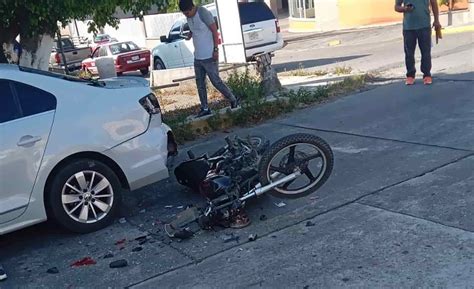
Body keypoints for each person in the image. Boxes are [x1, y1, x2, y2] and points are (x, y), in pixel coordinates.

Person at [179, 0, 239, 118]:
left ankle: (233, 98)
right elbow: (195, 28)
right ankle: (205, 108)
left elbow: (214, 31)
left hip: (209, 55)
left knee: (215, 81)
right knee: (200, 83)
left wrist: (216, 49)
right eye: (184, 14)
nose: (186, 15)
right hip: (198, 56)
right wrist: (190, 35)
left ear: (192, 8)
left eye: (187, 13)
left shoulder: (203, 13)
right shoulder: (189, 17)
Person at [395, 0, 441, 85]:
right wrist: (405, 8)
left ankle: (427, 75)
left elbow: (434, 3)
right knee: (409, 53)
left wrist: (436, 20)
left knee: (426, 52)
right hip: (408, 28)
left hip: (424, 26)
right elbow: (396, 7)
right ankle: (410, 75)